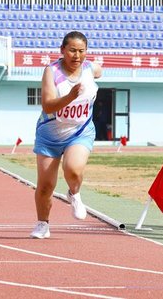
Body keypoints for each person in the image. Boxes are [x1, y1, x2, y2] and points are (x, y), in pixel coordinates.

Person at [30, 31, 102, 239]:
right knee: (45, 186)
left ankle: (74, 193)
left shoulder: (90, 69)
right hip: (50, 135)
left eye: (81, 51)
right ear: (62, 50)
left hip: (80, 131)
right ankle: (43, 224)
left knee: (73, 169)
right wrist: (70, 96)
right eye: (72, 50)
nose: (77, 56)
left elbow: (99, 71)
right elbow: (48, 105)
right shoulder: (51, 72)